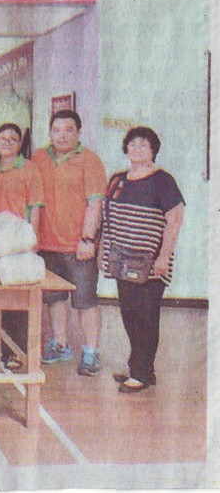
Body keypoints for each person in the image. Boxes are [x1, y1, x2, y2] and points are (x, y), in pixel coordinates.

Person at [101, 127, 184, 393]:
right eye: (132, 144)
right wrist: (105, 253)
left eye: (143, 145)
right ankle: (141, 367)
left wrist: (164, 257)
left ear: (153, 151)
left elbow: (174, 221)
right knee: (129, 313)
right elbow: (107, 218)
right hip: (122, 261)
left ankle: (141, 373)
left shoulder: (163, 181)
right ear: (126, 148)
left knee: (146, 316)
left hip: (151, 264)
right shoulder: (117, 179)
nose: (136, 149)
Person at [32, 109, 107, 376]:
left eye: (68, 130)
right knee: (54, 299)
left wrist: (88, 239)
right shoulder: (39, 157)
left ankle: (91, 353)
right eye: (56, 130)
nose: (61, 135)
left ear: (78, 132)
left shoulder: (90, 160)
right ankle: (60, 344)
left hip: (78, 246)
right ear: (49, 132)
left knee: (85, 302)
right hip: (46, 244)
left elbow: (95, 204)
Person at [0, 122, 44, 369]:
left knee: (17, 298)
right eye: (3, 138)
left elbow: (35, 207)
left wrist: (32, 238)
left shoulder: (30, 169)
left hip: (18, 239)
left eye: (12, 139)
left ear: (20, 144)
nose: (7, 143)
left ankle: (15, 352)